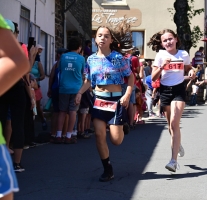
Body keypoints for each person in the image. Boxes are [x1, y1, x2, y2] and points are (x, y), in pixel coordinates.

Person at [75, 23, 134, 182]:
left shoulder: (118, 58)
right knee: (99, 135)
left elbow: (131, 77)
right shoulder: (91, 59)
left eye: (106, 36)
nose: (103, 38)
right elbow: (88, 80)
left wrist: (127, 95)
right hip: (99, 100)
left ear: (111, 40)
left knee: (116, 140)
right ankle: (107, 169)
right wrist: (80, 93)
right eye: (100, 35)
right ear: (95, 39)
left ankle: (123, 126)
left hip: (116, 100)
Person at [147, 29, 195, 172]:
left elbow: (188, 68)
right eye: (165, 40)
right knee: (171, 126)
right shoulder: (160, 55)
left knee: (175, 122)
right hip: (165, 91)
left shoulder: (183, 54)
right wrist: (163, 66)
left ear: (176, 39)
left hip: (179, 90)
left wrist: (191, 71)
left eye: (170, 39)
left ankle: (173, 161)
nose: (168, 42)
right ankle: (177, 143)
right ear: (162, 43)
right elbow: (154, 77)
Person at [0, 14, 33, 200]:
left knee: (9, 121)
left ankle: (15, 160)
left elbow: (23, 65)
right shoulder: (21, 46)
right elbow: (25, 67)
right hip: (16, 87)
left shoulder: (18, 47)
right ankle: (17, 163)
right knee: (15, 122)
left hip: (12, 87)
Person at [54, 37, 85, 144]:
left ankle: (58, 135)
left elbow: (60, 70)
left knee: (62, 111)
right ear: (79, 48)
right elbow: (83, 73)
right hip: (76, 89)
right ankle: (68, 136)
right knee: (73, 112)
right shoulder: (81, 59)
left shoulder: (63, 57)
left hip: (63, 87)